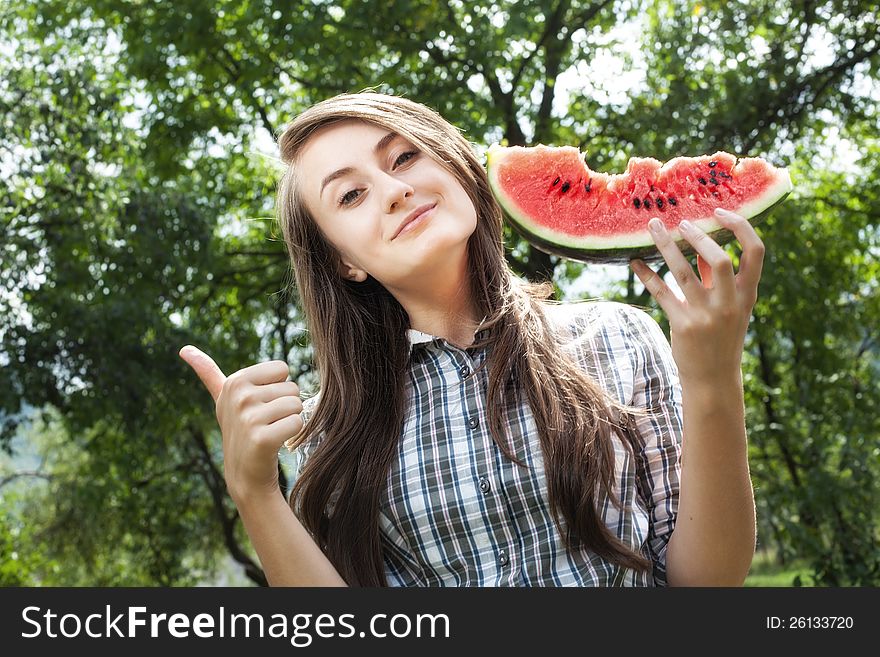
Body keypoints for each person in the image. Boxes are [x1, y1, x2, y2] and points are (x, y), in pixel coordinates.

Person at [179, 91, 758, 587]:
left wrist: (713, 379)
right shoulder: (332, 436)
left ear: (456, 166)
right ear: (344, 261)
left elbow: (706, 582)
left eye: (404, 157)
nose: (393, 189)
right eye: (350, 195)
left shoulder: (618, 339)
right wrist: (254, 491)